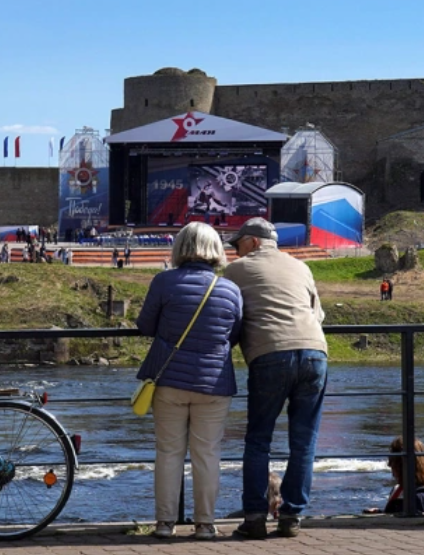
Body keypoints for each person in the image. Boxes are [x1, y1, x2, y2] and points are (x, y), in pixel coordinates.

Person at [135, 222, 243, 541]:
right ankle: (205, 525)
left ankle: (165, 523)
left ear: (179, 247)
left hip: (169, 380)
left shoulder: (164, 282)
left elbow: (145, 325)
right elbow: (234, 335)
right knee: (207, 454)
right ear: (216, 250)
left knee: (169, 452)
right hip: (214, 383)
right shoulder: (230, 290)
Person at [223, 217, 327, 540]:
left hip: (269, 355)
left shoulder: (235, 271)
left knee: (258, 439)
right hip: (315, 353)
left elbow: (229, 316)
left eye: (238, 245)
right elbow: (318, 314)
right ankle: (291, 516)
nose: (235, 252)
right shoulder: (301, 267)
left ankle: (255, 517)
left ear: (254, 242)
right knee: (304, 441)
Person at [365, 437, 424, 514]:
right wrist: (380, 513)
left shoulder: (418, 499)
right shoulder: (400, 490)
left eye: (392, 460)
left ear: (401, 465)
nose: (389, 464)